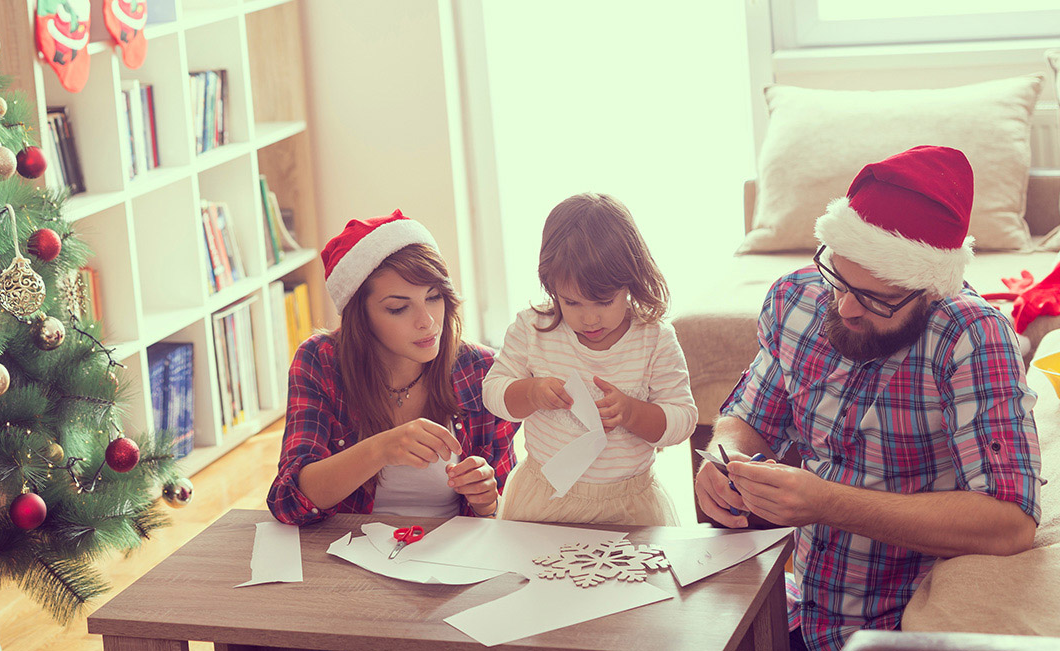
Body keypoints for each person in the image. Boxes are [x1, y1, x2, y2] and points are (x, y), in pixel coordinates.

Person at [695, 146, 1042, 651]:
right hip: (795, 610)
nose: (845, 305)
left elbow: (1010, 523)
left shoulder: (972, 336)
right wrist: (722, 459)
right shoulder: (797, 297)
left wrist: (827, 503)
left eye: (876, 297)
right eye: (838, 277)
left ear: (929, 290)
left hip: (899, 628)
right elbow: (747, 418)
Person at [268, 210, 518, 525]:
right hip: (348, 556)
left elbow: (507, 512)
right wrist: (380, 449)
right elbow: (288, 502)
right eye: (399, 308)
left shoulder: (480, 370)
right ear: (361, 316)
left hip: (451, 557)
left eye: (433, 297)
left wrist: (486, 502)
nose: (427, 322)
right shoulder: (320, 361)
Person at [482, 193, 697, 524]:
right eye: (572, 303)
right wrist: (531, 392)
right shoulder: (532, 329)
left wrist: (631, 412)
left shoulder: (653, 339)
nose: (590, 319)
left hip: (629, 506)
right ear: (551, 287)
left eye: (604, 302)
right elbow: (493, 391)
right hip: (545, 500)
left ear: (631, 281)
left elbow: (683, 419)